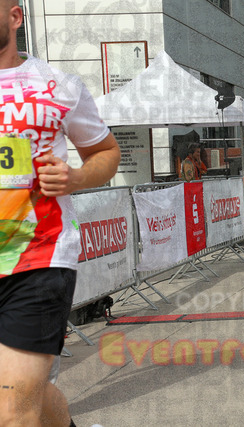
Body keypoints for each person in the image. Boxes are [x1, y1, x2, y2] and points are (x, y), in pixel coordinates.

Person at [0, 2, 121, 425]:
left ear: (15, 17)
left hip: (38, 258)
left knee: (12, 412)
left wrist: (76, 177)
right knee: (26, 391)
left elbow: (106, 152)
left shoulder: (56, 85)